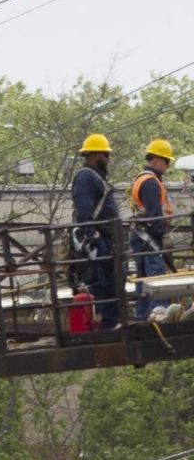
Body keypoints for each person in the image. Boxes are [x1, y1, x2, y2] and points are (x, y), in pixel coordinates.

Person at [71, 132, 122, 329]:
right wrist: (94, 237)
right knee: (101, 282)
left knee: (113, 279)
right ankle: (107, 324)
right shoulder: (85, 178)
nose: (108, 159)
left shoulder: (95, 178)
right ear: (94, 155)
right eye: (105, 155)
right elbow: (84, 212)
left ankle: (111, 321)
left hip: (106, 238)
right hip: (96, 240)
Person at [130, 138, 177, 320]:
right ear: (156, 160)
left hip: (140, 234)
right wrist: (162, 235)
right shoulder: (150, 182)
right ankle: (159, 313)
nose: (167, 166)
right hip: (149, 236)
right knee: (155, 274)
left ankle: (142, 316)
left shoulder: (142, 178)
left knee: (143, 278)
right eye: (166, 161)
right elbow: (155, 213)